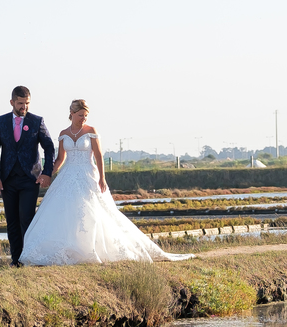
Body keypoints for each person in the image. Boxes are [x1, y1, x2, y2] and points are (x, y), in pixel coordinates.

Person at [19, 100, 192, 265]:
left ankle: (93, 249)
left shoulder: (91, 130)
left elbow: (99, 156)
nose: (83, 119)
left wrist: (102, 177)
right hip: (68, 175)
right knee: (65, 212)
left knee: (92, 212)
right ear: (71, 114)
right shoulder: (63, 134)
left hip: (87, 174)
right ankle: (69, 250)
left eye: (85, 115)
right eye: (80, 115)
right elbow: (60, 158)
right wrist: (47, 174)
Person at [0, 86, 55, 267]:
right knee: (12, 221)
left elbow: (49, 147)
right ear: (12, 102)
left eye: (26, 103)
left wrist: (47, 173)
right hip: (7, 179)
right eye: (20, 103)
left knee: (27, 218)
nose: (23, 107)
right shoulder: (0, 122)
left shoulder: (37, 121)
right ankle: (16, 260)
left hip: (30, 179)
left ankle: (29, 257)